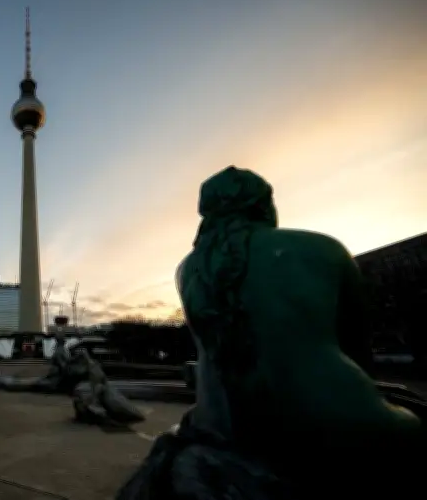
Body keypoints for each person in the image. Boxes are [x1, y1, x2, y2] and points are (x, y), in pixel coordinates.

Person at [173, 165, 421, 495]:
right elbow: (358, 351)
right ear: (262, 204)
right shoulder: (323, 249)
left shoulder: (187, 269)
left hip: (221, 427)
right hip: (337, 422)